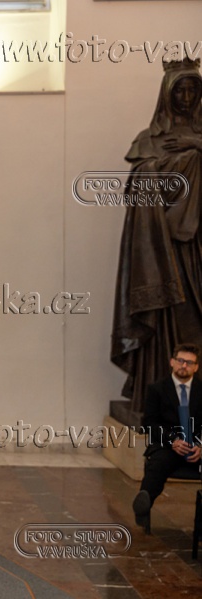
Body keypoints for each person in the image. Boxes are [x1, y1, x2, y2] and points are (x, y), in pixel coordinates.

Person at [111, 57, 202, 415]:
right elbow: (139, 188)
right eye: (179, 90)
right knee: (164, 315)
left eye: (193, 90)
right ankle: (159, 400)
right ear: (166, 95)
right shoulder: (148, 140)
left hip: (196, 248)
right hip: (161, 247)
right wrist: (158, 168)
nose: (186, 97)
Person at [133, 343, 202, 533]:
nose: (184, 365)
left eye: (189, 362)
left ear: (196, 367)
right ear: (172, 362)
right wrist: (173, 441)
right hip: (168, 445)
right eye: (180, 360)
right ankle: (144, 504)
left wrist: (200, 445)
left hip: (197, 448)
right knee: (158, 464)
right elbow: (149, 423)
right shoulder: (157, 389)